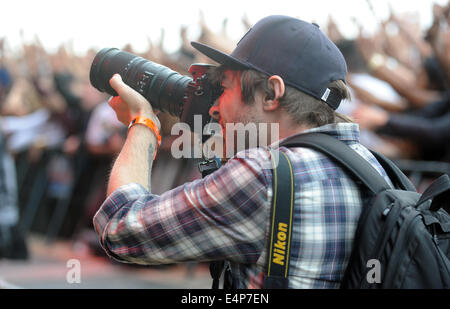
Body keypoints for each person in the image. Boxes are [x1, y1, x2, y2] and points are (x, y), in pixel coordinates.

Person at [93, 15, 394, 289]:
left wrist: (142, 122)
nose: (213, 107)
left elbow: (121, 228)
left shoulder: (265, 175)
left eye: (225, 88)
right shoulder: (375, 169)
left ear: (271, 94)